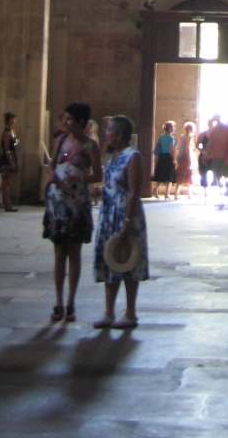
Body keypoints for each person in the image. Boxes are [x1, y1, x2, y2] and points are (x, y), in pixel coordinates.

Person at [42, 102, 102, 323]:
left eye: (69, 119)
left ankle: (70, 302)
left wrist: (80, 177)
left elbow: (98, 174)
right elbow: (52, 164)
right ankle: (58, 301)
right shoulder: (60, 140)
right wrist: (52, 175)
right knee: (59, 253)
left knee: (74, 253)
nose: (65, 122)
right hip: (58, 200)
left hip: (76, 204)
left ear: (80, 122)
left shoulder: (90, 145)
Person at [93, 115, 149, 329]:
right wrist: (103, 190)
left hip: (126, 214)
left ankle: (130, 313)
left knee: (127, 261)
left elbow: (134, 191)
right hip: (109, 212)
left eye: (109, 131)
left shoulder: (133, 156)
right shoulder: (114, 155)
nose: (106, 134)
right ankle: (109, 313)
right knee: (111, 259)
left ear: (119, 134)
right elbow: (115, 183)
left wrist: (127, 221)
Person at [0, 112, 19, 211]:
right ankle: (7, 203)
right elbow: (7, 149)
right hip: (7, 159)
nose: (13, 121)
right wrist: (11, 162)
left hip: (11, 157)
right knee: (6, 182)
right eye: (11, 119)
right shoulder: (7, 133)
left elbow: (15, 144)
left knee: (6, 182)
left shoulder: (12, 131)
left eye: (14, 119)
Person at [151, 121, 177, 199]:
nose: (174, 129)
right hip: (168, 157)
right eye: (173, 127)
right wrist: (174, 159)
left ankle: (155, 190)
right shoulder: (171, 138)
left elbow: (158, 145)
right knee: (169, 176)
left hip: (162, 157)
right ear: (169, 128)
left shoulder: (161, 137)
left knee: (161, 175)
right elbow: (171, 149)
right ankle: (167, 194)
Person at [175, 121, 196, 197]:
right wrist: (189, 159)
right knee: (188, 174)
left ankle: (176, 193)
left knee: (181, 174)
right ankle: (189, 193)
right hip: (187, 156)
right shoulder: (189, 137)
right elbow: (187, 148)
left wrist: (177, 157)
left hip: (181, 156)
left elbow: (178, 147)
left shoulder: (182, 136)